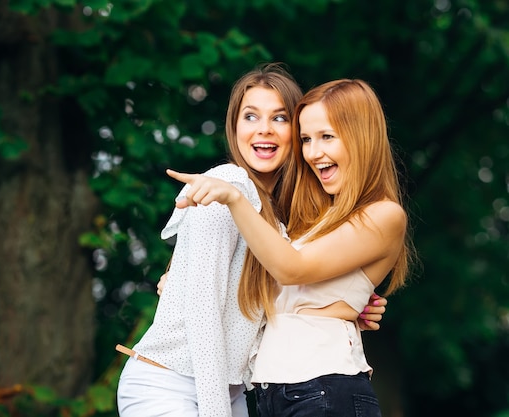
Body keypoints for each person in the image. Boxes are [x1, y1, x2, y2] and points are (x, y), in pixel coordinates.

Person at [116, 67, 387, 417]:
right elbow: (204, 315)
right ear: (234, 127)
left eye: (279, 117)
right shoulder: (226, 185)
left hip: (232, 392)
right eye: (251, 116)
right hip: (169, 382)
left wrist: (349, 302)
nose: (264, 129)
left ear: (297, 132)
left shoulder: (283, 218)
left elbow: (280, 302)